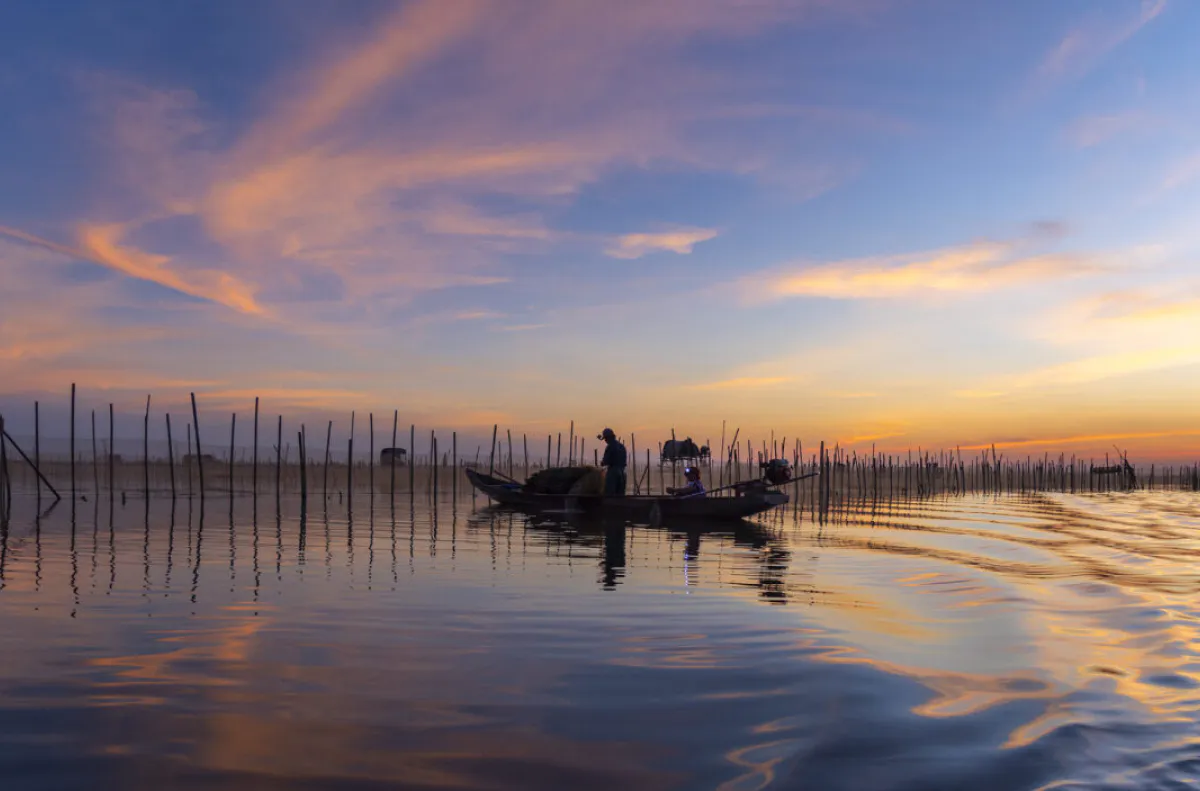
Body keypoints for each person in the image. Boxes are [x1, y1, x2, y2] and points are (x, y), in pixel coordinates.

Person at [598, 428, 627, 496]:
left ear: (608, 438)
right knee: (620, 495)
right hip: (623, 472)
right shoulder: (621, 446)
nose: (605, 440)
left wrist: (602, 463)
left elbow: (606, 461)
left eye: (605, 438)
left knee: (609, 494)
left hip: (613, 472)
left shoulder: (610, 446)